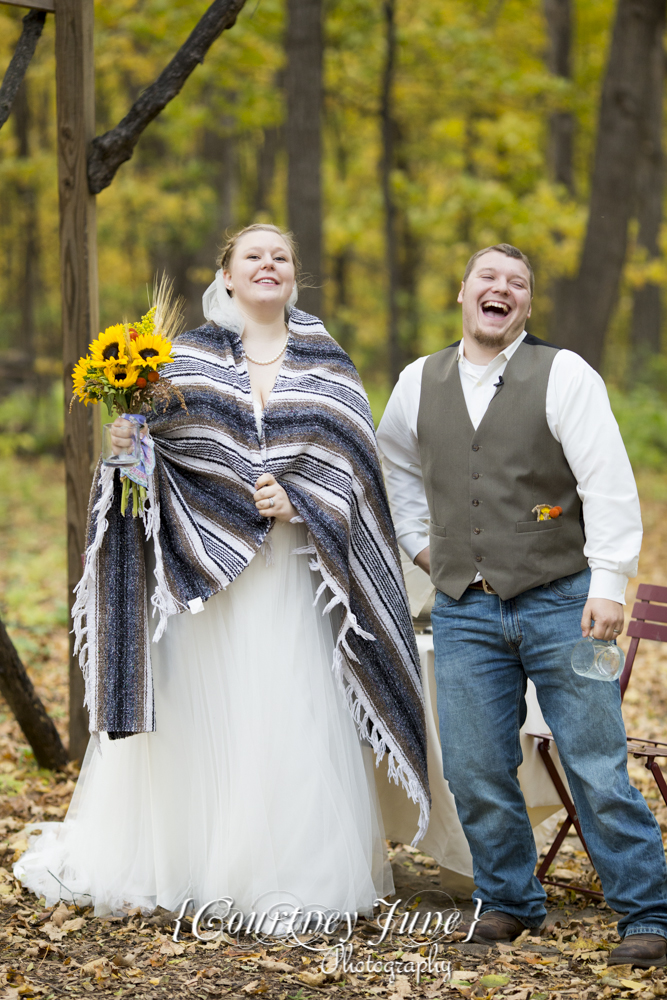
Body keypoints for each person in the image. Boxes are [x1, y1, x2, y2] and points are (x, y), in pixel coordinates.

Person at [15, 224, 429, 925]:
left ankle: (281, 876)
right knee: (203, 721)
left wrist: (302, 501)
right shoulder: (183, 360)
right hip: (202, 581)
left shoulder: (329, 364)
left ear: (294, 276)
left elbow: (358, 478)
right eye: (253, 257)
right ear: (228, 277)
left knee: (285, 713)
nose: (268, 266)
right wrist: (128, 443)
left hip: (288, 580)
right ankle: (188, 864)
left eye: (281, 257)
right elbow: (156, 472)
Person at [376, 243, 667, 968]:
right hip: (462, 609)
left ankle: (647, 913)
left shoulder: (564, 373)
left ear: (526, 306)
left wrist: (608, 586)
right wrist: (423, 548)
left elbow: (606, 482)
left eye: (517, 282)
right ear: (462, 293)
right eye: (488, 277)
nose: (500, 288)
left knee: (595, 763)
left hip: (566, 602)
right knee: (473, 767)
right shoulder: (418, 381)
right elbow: (394, 476)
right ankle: (508, 900)